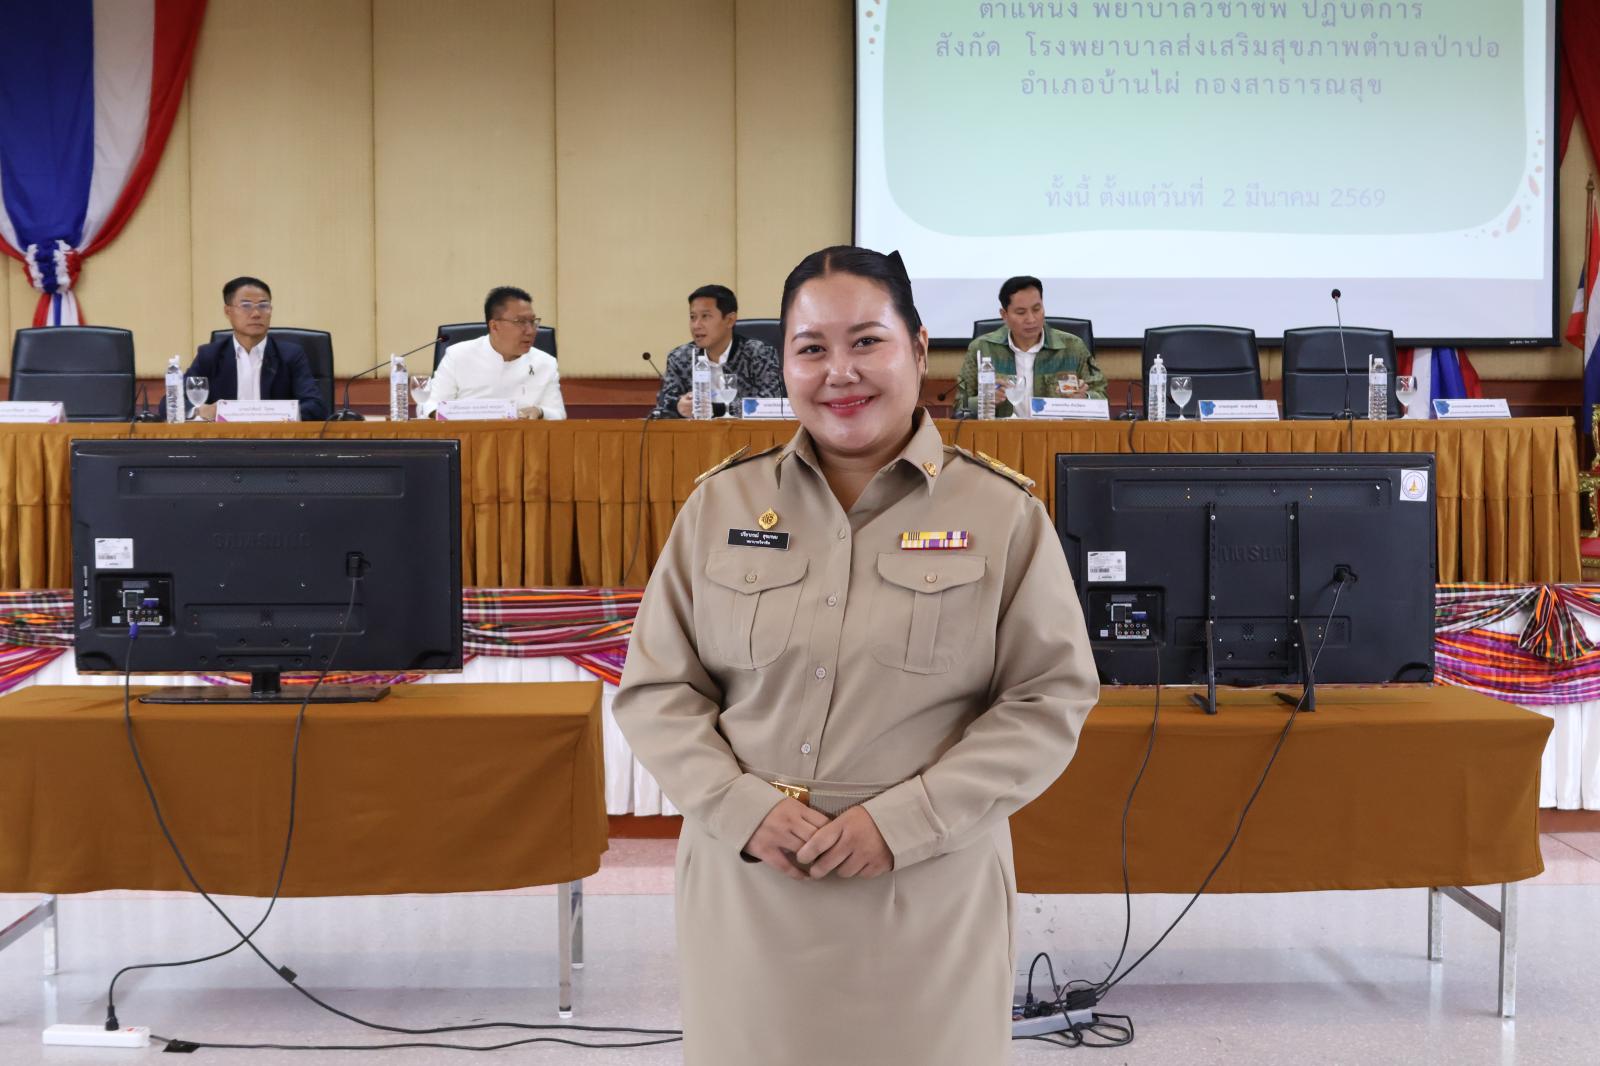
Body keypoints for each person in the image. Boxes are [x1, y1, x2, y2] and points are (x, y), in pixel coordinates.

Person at [613, 246, 1099, 1065]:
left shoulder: (1002, 512)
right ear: (785, 364)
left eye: (867, 341)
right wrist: (741, 806)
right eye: (812, 348)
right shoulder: (721, 504)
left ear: (919, 347)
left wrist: (904, 822)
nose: (840, 372)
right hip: (750, 885)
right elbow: (657, 690)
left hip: (927, 890)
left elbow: (1048, 701)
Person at [955, 275, 1106, 417]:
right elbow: (959, 407)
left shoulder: (1073, 347)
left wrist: (1084, 398)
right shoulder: (982, 348)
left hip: (1057, 433)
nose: (1031, 319)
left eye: (1036, 309)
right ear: (1004, 315)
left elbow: (1103, 399)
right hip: (1001, 434)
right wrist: (984, 400)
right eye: (1021, 312)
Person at [186, 277, 328, 421]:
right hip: (225, 435)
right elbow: (176, 403)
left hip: (276, 434)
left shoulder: (290, 355)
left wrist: (280, 414)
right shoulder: (209, 356)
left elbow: (316, 406)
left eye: (263, 305)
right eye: (246, 305)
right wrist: (198, 411)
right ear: (228, 311)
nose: (256, 314)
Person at [423, 286, 564, 419]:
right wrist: (461, 415)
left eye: (533, 321)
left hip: (523, 435)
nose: (531, 331)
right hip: (466, 434)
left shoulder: (546, 363)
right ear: (494, 326)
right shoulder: (458, 355)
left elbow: (558, 414)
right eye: (521, 322)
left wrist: (540, 412)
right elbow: (431, 406)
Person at [650, 284, 784, 418]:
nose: (696, 325)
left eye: (705, 316)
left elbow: (770, 403)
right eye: (693, 317)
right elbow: (663, 406)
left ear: (730, 320)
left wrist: (715, 409)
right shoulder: (680, 358)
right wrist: (678, 406)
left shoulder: (759, 354)